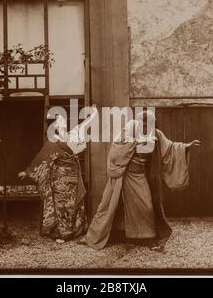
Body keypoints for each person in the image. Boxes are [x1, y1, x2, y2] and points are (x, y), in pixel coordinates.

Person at [84, 110, 200, 250]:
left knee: (147, 206)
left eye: (148, 126)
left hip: (139, 175)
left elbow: (170, 148)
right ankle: (107, 235)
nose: (145, 129)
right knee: (111, 205)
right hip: (124, 175)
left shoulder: (156, 133)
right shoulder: (130, 128)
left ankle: (148, 238)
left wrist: (186, 146)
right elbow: (117, 147)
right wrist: (137, 141)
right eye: (143, 125)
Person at [18, 105, 98, 241]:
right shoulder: (53, 140)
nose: (61, 123)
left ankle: (73, 230)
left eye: (62, 120)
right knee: (59, 204)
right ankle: (61, 233)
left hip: (72, 176)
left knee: (71, 204)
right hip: (57, 178)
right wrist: (28, 172)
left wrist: (94, 113)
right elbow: (42, 157)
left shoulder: (73, 134)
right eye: (58, 121)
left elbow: (85, 125)